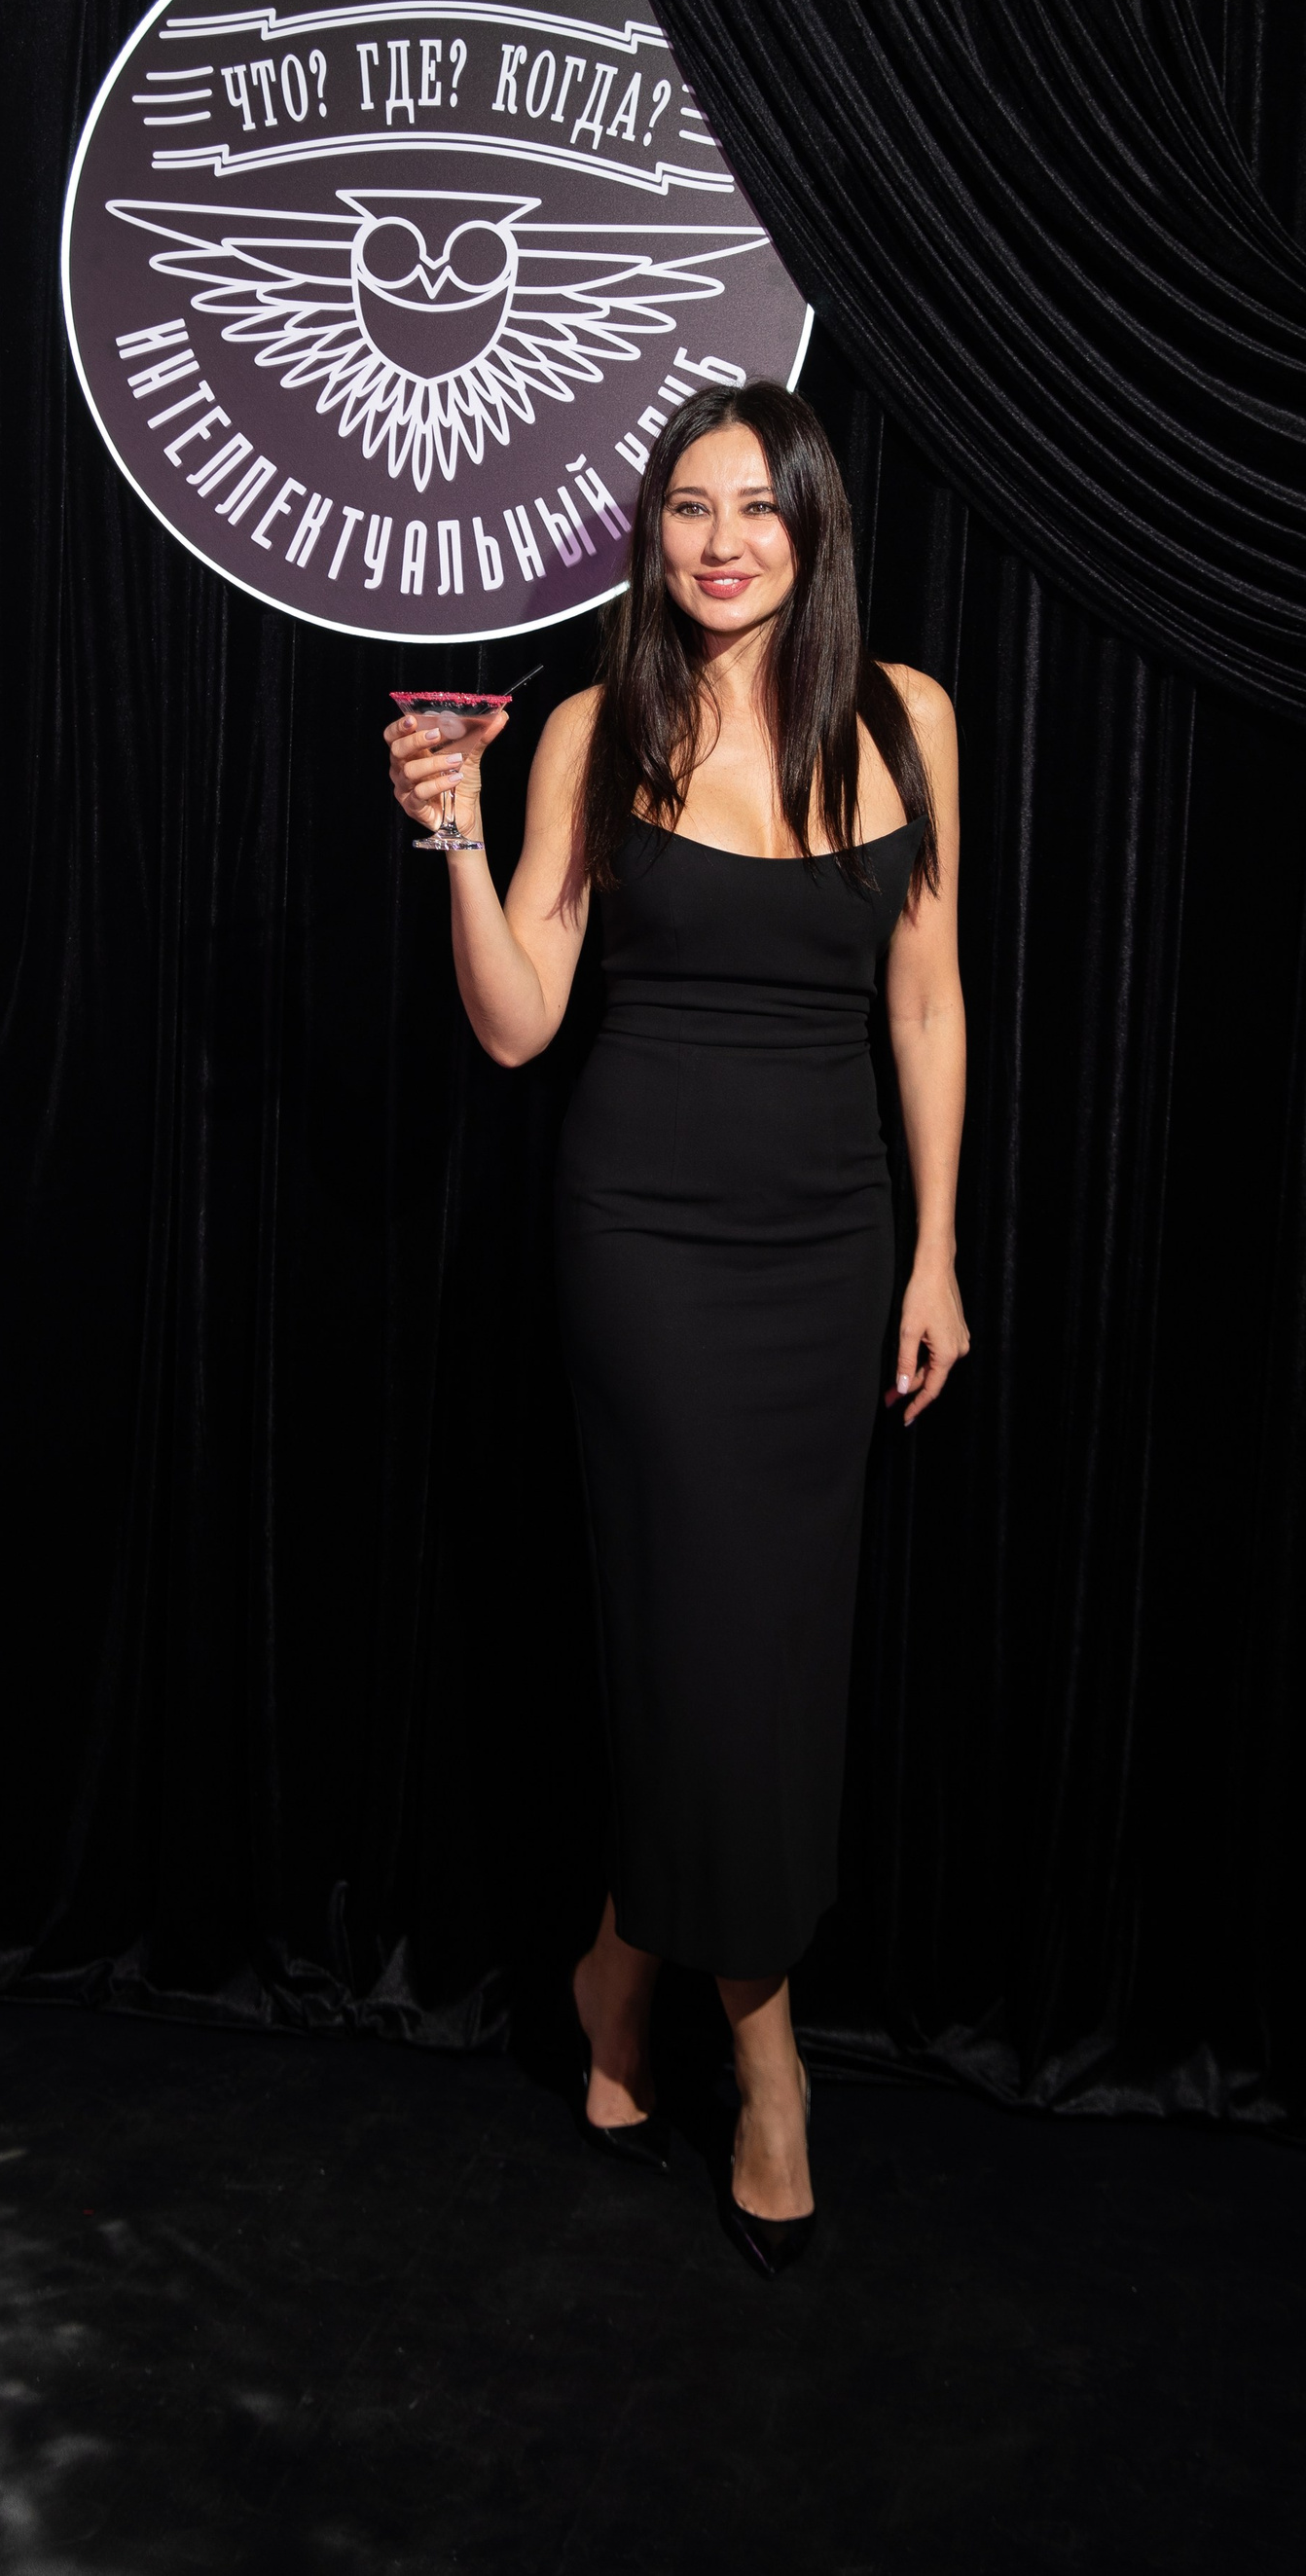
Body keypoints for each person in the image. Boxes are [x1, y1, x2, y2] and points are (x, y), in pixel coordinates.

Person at [385, 381, 967, 2276]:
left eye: (758, 508)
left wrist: (936, 1252)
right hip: (641, 1241)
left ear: (814, 528)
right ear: (654, 533)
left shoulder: (909, 722)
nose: (722, 542)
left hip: (830, 1244)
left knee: (770, 1657)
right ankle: (770, 2063)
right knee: (708, 1634)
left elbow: (928, 1005)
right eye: (690, 508)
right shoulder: (593, 724)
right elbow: (517, 1025)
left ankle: (618, 1968)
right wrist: (454, 833)